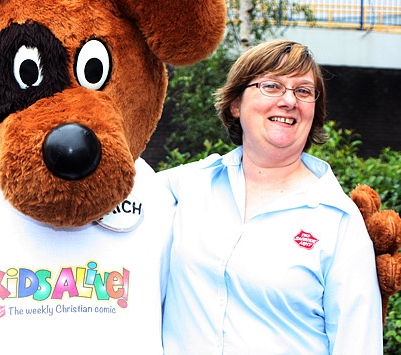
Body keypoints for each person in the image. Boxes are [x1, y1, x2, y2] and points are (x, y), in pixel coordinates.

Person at [160, 40, 382, 354]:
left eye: (303, 91)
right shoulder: (187, 186)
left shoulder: (338, 220)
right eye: (272, 86)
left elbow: (358, 343)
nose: (289, 100)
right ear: (235, 104)